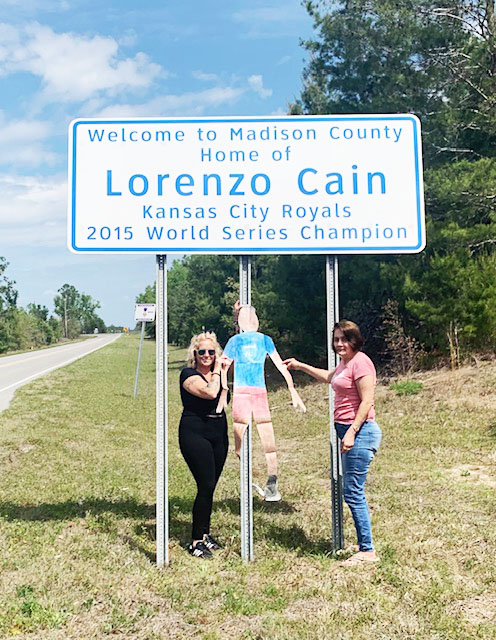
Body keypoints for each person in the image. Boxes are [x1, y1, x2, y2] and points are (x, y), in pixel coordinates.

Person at [284, 320, 382, 565]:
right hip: (350, 432)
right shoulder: (345, 363)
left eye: (345, 339)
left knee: (353, 492)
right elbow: (330, 377)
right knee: (352, 491)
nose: (340, 343)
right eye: (336, 339)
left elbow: (367, 401)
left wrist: (351, 432)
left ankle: (367, 551)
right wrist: (300, 366)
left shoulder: (361, 362)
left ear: (355, 340)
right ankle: (364, 545)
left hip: (360, 432)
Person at [217, 303, 306, 502]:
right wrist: (224, 391)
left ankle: (271, 483)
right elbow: (223, 366)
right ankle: (249, 479)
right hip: (243, 393)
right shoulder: (241, 341)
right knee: (240, 439)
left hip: (256, 393)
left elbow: (280, 366)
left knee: (266, 437)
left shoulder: (259, 340)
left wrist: (293, 391)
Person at [179, 331, 230, 559]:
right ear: (195, 354)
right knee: (205, 484)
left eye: (211, 351)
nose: (207, 355)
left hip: (218, 433)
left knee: (211, 486)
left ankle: (206, 534)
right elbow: (210, 393)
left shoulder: (219, 374)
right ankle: (196, 541)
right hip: (195, 433)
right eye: (202, 352)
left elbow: (223, 401)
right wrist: (218, 371)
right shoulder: (188, 375)